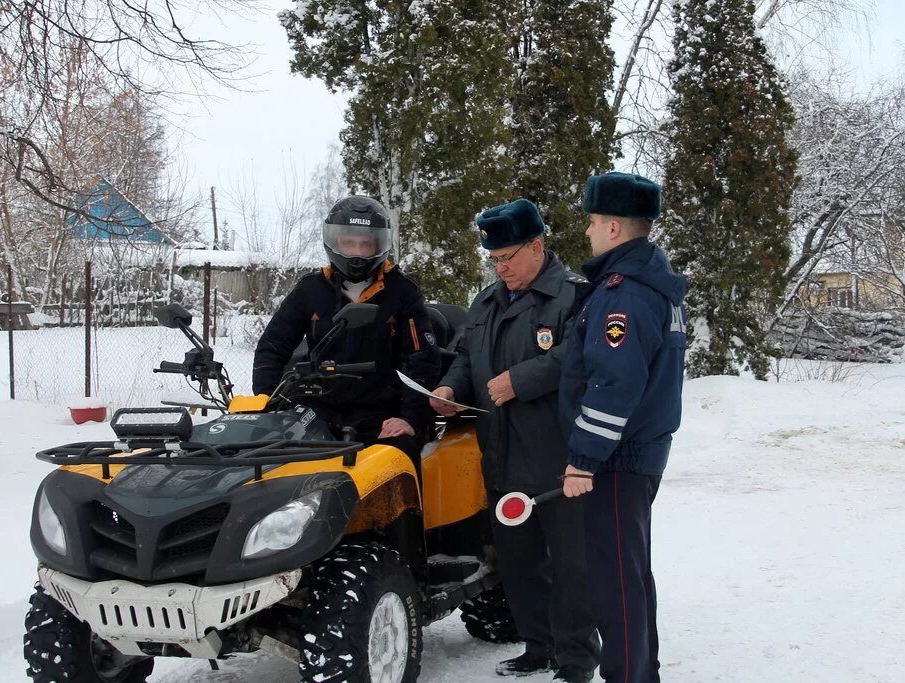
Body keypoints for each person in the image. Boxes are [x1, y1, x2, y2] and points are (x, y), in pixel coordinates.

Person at [429, 198, 599, 683]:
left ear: (538, 246)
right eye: (494, 259)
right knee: (519, 563)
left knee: (571, 566)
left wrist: (521, 380)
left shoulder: (574, 297)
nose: (500, 267)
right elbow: (466, 359)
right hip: (501, 458)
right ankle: (538, 646)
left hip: (558, 458)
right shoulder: (485, 302)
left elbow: (583, 355)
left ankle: (576, 659)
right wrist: (448, 388)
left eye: (508, 257)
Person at [558, 172, 687, 683]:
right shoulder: (646, 281)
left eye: (591, 222)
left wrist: (583, 459)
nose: (587, 232)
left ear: (613, 228)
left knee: (615, 584)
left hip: (616, 458)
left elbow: (616, 384)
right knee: (629, 574)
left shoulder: (624, 292)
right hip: (634, 454)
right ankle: (641, 673)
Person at [252, 195, 440, 473]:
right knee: (273, 469)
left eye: (366, 244)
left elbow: (422, 359)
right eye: (349, 243)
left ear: (379, 245)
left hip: (381, 414)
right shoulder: (310, 290)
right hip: (317, 411)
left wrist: (410, 419)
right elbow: (273, 348)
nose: (357, 252)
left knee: (400, 465)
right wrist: (266, 403)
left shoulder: (402, 291)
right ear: (335, 242)